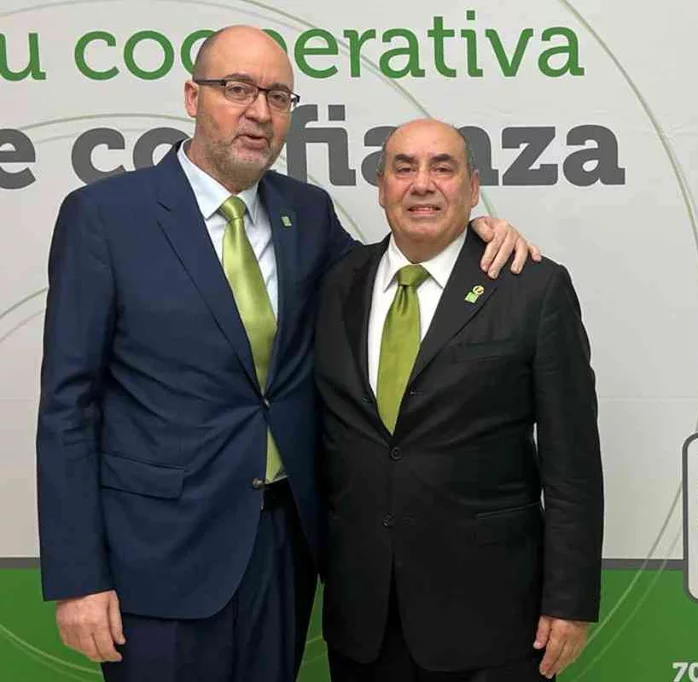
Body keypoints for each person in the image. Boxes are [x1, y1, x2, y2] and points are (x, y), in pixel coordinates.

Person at [36, 25, 537, 682]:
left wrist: (469, 230)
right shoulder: (104, 216)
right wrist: (78, 578)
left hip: (283, 544)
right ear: (192, 95)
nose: (258, 112)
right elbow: (68, 406)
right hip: (155, 559)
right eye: (236, 89)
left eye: (277, 96)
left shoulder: (308, 213)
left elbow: (383, 276)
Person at [314, 118, 604, 681]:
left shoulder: (532, 288)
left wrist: (569, 601)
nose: (422, 184)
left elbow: (573, 466)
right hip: (363, 620)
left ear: (473, 189)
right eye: (404, 168)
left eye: (442, 168)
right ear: (381, 186)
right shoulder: (335, 284)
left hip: (493, 620)